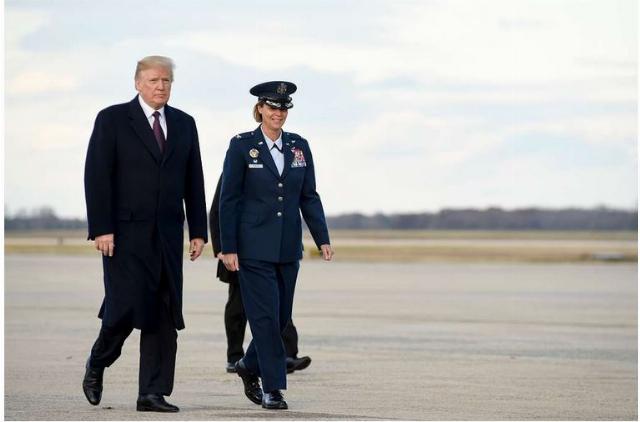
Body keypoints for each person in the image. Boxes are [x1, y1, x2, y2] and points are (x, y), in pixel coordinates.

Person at [82, 55, 207, 413]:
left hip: (168, 233)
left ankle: (152, 393)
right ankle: (98, 360)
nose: (160, 86)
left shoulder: (184, 123)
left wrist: (198, 230)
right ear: (137, 83)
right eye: (153, 80)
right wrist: (102, 228)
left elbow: (193, 179)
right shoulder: (112, 119)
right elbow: (96, 175)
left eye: (166, 81)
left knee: (163, 312)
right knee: (125, 306)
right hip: (124, 234)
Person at [219, 81, 333, 410]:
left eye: (283, 108)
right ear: (260, 109)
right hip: (252, 248)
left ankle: (247, 364)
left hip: (287, 247)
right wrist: (229, 247)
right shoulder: (241, 146)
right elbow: (229, 199)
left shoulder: (299, 146)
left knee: (280, 318)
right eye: (272, 107)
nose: (278, 113)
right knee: (265, 319)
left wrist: (322, 237)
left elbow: (309, 196)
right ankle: (273, 388)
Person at [209, 175, 313, 374]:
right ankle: (235, 357)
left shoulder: (277, 169)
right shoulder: (237, 164)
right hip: (238, 250)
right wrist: (222, 248)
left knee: (278, 302)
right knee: (238, 305)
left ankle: (287, 354)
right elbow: (217, 209)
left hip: (270, 249)